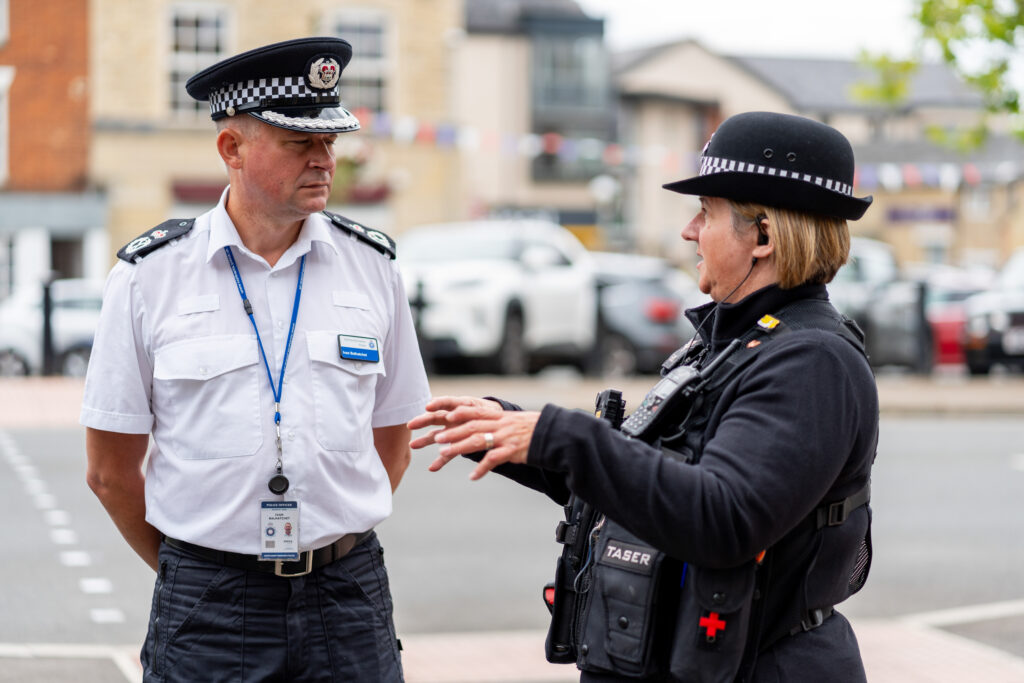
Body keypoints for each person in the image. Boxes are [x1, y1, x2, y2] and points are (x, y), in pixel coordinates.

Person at [409, 111, 877, 682]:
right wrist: (516, 434)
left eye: (706, 213)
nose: (688, 231)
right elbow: (648, 482)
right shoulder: (733, 341)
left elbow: (723, 517)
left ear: (763, 237)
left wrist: (562, 437)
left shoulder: (811, 361)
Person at [81, 37, 430, 682]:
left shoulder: (372, 267)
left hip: (346, 598)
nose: (326, 159)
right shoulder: (149, 276)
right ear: (231, 149)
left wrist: (331, 532)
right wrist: (203, 568)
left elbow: (394, 441)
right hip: (208, 602)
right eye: (302, 143)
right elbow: (109, 470)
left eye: (330, 142)